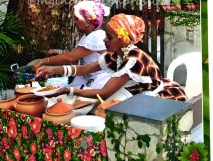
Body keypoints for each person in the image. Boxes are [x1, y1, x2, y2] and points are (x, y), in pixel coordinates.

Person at [36, 13, 187, 101]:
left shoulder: (133, 59)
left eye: (109, 37)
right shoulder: (116, 54)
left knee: (104, 110)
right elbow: (84, 69)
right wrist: (53, 69)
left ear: (122, 40)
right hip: (136, 94)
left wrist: (69, 90)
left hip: (154, 100)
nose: (104, 40)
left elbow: (104, 93)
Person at [32, 0, 112, 89]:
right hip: (86, 78)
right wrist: (59, 52)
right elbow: (80, 54)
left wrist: (43, 61)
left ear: (88, 20)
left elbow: (70, 57)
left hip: (98, 82)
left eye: (77, 18)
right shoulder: (88, 36)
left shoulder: (96, 36)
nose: (75, 22)